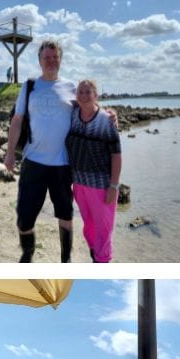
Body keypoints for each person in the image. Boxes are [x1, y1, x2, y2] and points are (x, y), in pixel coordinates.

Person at [4, 40, 78, 263]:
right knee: (24, 219)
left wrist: (110, 115)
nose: (51, 61)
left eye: (55, 57)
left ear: (60, 60)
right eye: (47, 57)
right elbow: (17, 120)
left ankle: (66, 260)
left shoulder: (71, 88)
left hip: (62, 164)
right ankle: (27, 254)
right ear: (39, 61)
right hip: (33, 161)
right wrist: (9, 153)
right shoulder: (29, 86)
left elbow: (89, 112)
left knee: (66, 215)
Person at [66, 78, 123, 263]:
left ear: (95, 95)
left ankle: (102, 260)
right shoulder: (73, 114)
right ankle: (94, 253)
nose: (84, 95)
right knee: (89, 225)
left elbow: (116, 155)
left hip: (101, 185)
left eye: (88, 92)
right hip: (79, 183)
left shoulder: (106, 120)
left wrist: (114, 186)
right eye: (80, 92)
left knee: (104, 228)